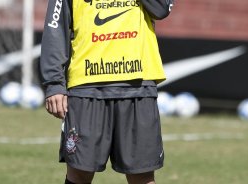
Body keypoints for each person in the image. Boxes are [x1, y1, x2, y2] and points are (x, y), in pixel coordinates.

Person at [40, 0, 174, 183]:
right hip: (86, 87)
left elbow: (162, 8)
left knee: (142, 176)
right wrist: (54, 83)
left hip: (138, 87)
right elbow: (55, 26)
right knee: (79, 173)